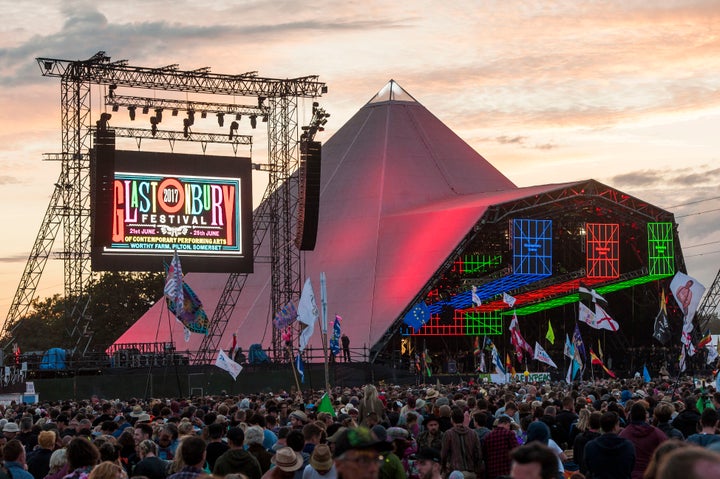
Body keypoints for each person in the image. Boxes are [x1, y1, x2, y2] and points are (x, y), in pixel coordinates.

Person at [618, 403, 667, 479]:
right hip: (651, 473)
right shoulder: (656, 433)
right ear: (645, 417)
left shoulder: (624, 434)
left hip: (631, 474)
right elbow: (668, 450)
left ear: (630, 417)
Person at [583, 411, 635, 479]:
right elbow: (631, 466)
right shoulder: (628, 446)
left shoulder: (590, 446)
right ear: (616, 426)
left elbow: (589, 467)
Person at [441, 407, 483, 478]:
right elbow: (478, 453)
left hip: (455, 473)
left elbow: (444, 454)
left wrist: (444, 469)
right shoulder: (473, 433)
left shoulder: (448, 434)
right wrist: (477, 470)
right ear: (463, 419)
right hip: (471, 472)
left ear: (452, 419)